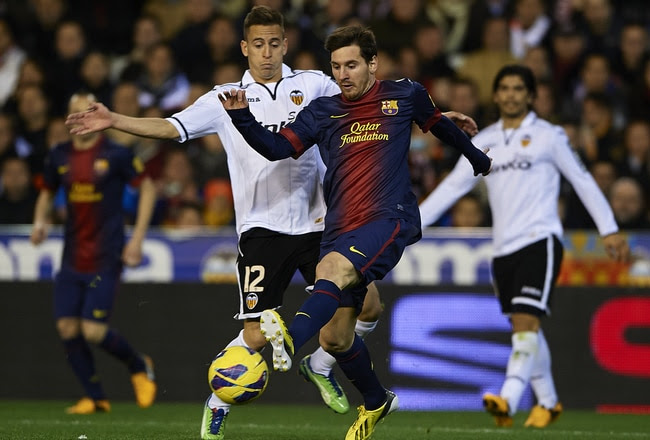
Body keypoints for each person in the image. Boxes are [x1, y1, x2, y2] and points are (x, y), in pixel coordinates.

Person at [66, 7, 392, 439]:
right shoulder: (225, 98)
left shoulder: (314, 84)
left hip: (320, 226)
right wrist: (114, 120)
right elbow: (170, 127)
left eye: (273, 43)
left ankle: (321, 364)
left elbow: (367, 100)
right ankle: (218, 402)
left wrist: (431, 118)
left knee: (368, 306)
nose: (267, 53)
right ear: (244, 48)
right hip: (262, 231)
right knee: (255, 336)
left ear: (285, 44)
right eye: (258, 44)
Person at [219, 25, 491, 440]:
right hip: (339, 225)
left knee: (331, 270)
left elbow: (438, 124)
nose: (343, 74)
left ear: (372, 63)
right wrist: (241, 116)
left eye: (351, 65)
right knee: (335, 337)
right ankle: (377, 400)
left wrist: (476, 158)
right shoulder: (322, 111)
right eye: (336, 66)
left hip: (388, 217)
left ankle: (290, 340)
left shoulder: (404, 94)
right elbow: (276, 149)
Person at [418, 65, 630, 428]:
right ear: (496, 95)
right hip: (503, 249)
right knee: (524, 324)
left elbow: (581, 179)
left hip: (540, 240)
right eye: (505, 88)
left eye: (519, 88)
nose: (511, 95)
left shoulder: (549, 136)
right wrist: (412, 225)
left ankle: (508, 398)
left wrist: (608, 228)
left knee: (525, 322)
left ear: (530, 95)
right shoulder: (485, 139)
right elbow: (453, 187)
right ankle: (548, 402)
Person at [30, 92, 157, 414]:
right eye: (76, 112)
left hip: (106, 255)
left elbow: (147, 188)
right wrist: (40, 221)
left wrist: (137, 238)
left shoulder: (116, 153)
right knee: (67, 328)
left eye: (88, 111)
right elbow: (46, 192)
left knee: (93, 330)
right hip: (72, 255)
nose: (82, 117)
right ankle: (96, 397)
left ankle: (138, 364)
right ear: (68, 118)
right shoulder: (59, 155)